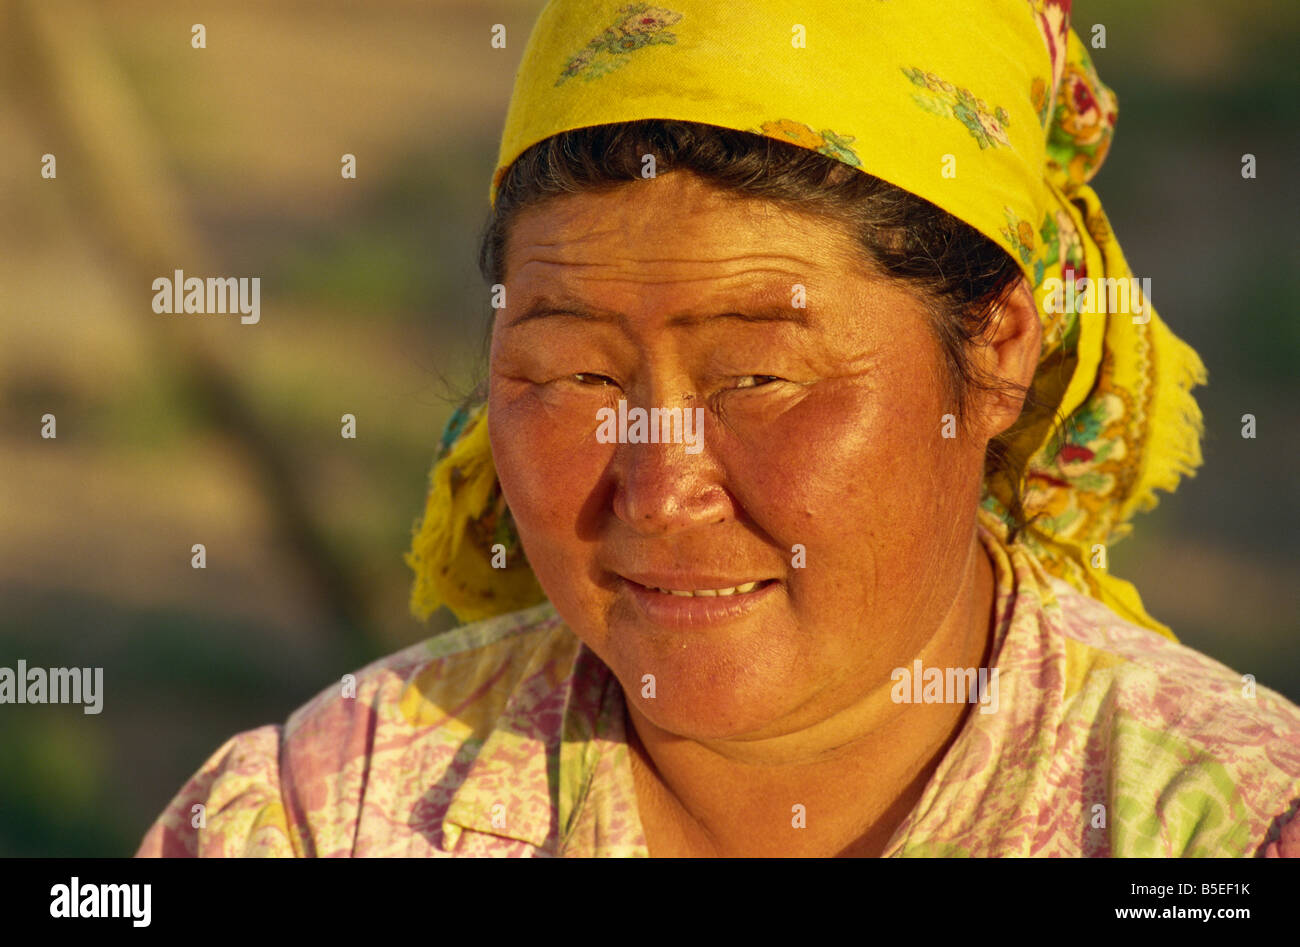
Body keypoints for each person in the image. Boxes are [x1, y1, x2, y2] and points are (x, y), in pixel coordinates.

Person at [137, 0, 1300, 857]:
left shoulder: (1220, 832)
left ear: (999, 348)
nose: (658, 487)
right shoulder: (319, 816)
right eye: (578, 372)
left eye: (755, 376)